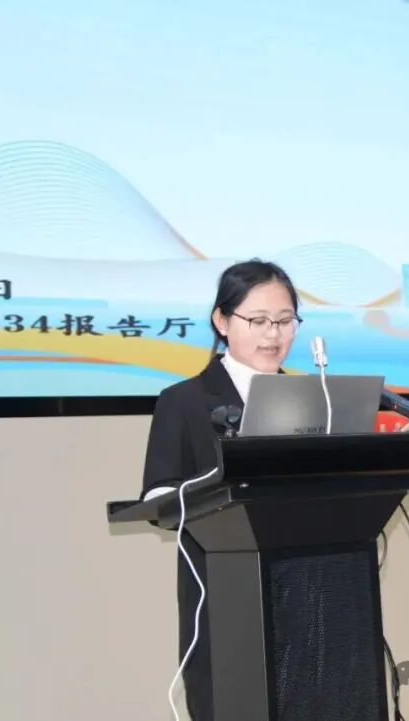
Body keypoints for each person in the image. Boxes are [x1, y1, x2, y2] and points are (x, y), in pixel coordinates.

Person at [140, 258, 302, 720]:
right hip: (225, 593)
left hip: (307, 590)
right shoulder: (184, 401)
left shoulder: (313, 399)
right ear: (222, 321)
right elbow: (158, 496)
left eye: (285, 320)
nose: (273, 334)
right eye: (258, 320)